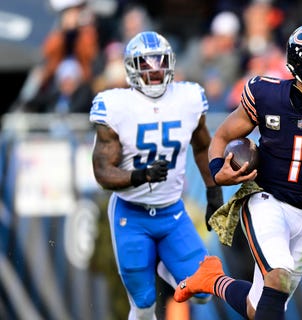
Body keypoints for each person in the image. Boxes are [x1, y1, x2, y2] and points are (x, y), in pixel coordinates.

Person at [172, 22, 302, 320]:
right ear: (300, 62)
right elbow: (222, 137)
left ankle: (211, 279)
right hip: (266, 200)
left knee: (259, 306)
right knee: (277, 275)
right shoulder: (266, 95)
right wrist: (217, 170)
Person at [89, 31, 223, 320]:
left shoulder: (188, 97)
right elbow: (102, 172)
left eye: (159, 62)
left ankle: (163, 263)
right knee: (144, 303)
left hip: (172, 211)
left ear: (171, 63)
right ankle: (158, 262)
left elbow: (202, 147)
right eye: (145, 64)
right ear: (131, 68)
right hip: (131, 214)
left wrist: (214, 191)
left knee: (202, 290)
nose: (154, 70)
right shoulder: (116, 106)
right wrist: (140, 176)